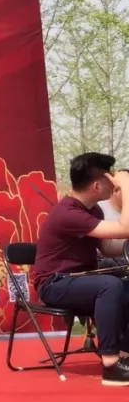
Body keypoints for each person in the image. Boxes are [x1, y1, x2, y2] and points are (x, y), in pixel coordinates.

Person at [31, 153, 129, 386]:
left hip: (80, 279)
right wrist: (126, 186)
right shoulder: (69, 213)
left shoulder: (93, 211)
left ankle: (124, 354)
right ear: (97, 186)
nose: (114, 185)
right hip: (54, 283)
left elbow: (107, 248)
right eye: (110, 180)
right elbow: (125, 227)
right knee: (110, 285)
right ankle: (110, 365)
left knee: (123, 283)